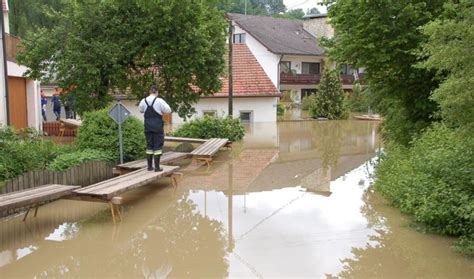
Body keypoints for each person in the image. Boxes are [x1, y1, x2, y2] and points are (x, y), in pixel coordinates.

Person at [138, 85, 171, 172]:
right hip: (157, 127)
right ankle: (157, 167)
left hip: (147, 126)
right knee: (157, 146)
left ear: (149, 91)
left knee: (149, 145)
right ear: (157, 92)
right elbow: (168, 110)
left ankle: (149, 167)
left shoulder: (143, 100)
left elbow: (140, 110)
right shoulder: (159, 100)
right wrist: (161, 111)